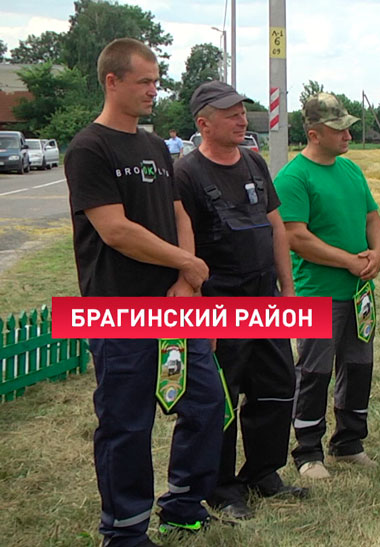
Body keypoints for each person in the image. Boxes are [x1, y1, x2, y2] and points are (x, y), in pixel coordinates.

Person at [66, 38, 223, 544]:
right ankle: (126, 530)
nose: (155, 91)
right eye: (145, 82)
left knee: (205, 404)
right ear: (112, 81)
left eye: (157, 81)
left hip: (176, 305)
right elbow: (115, 230)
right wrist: (188, 262)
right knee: (126, 424)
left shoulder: (156, 146)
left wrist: (184, 280)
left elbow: (178, 214)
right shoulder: (90, 148)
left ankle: (181, 502)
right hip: (118, 310)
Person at [175, 80, 305, 519]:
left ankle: (264, 473)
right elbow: (185, 248)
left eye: (242, 111)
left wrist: (288, 293)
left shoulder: (253, 163)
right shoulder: (187, 174)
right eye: (230, 113)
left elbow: (275, 228)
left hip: (264, 298)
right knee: (223, 396)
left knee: (276, 387)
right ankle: (221, 487)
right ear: (203, 122)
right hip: (219, 302)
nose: (241, 119)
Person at [276, 93, 380, 480]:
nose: (347, 135)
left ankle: (349, 442)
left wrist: (377, 252)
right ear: (313, 133)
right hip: (318, 292)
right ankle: (308, 451)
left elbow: (373, 217)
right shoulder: (294, 177)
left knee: (359, 366)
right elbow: (297, 238)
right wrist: (350, 261)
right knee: (314, 371)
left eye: (347, 126)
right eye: (337, 129)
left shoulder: (351, 171)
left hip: (357, 294)